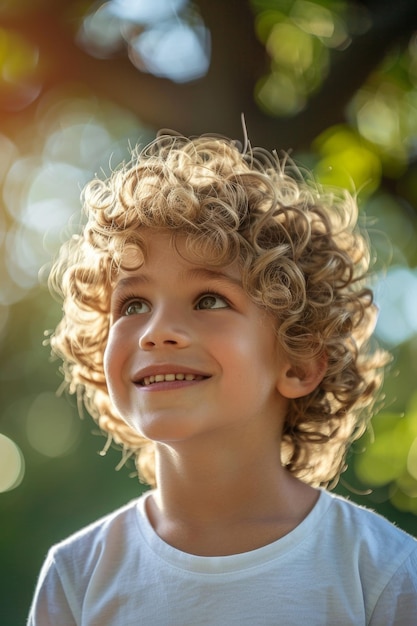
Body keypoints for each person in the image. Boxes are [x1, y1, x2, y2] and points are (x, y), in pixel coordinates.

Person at [28, 131, 417, 625]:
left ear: (298, 362)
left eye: (209, 300)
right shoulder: (76, 579)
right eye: (133, 305)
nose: (156, 332)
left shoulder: (381, 573)